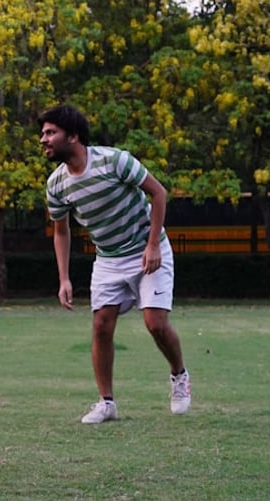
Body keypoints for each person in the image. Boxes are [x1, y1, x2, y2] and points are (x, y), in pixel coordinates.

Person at [38, 104, 190, 424]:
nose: (43, 139)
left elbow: (159, 193)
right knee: (101, 326)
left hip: (148, 249)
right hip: (108, 259)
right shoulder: (56, 185)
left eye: (51, 132)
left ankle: (179, 375)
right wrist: (64, 278)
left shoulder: (114, 160)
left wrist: (152, 246)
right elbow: (61, 232)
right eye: (43, 133)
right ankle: (106, 403)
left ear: (74, 136)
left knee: (155, 324)